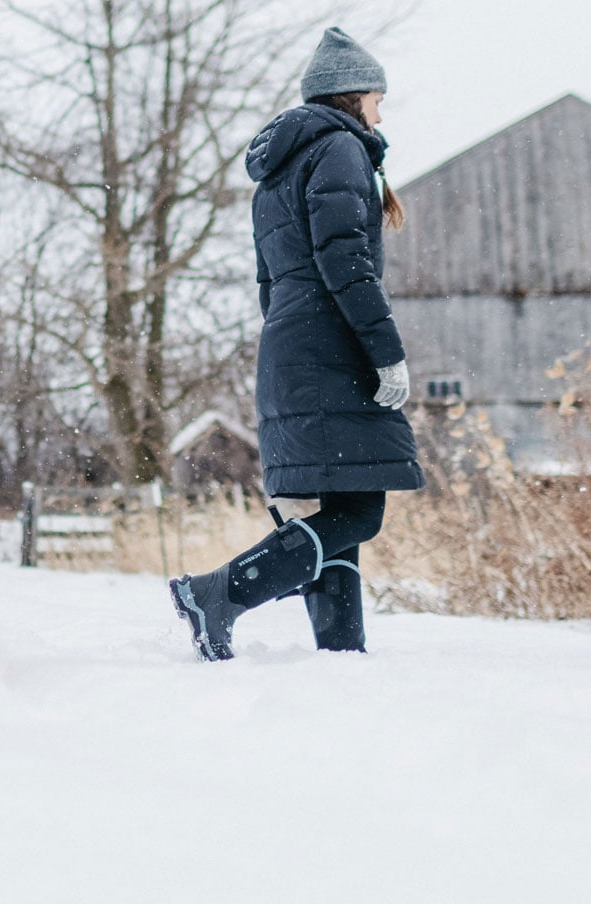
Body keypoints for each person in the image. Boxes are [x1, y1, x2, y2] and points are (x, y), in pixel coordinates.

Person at [169, 26, 424, 661]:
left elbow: (268, 283)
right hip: (332, 350)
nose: (380, 111)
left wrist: (294, 344)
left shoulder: (279, 171)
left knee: (336, 506)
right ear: (352, 96)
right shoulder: (339, 150)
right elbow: (347, 263)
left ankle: (342, 655)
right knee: (359, 511)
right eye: (377, 98)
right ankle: (217, 593)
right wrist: (384, 349)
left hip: (293, 348)